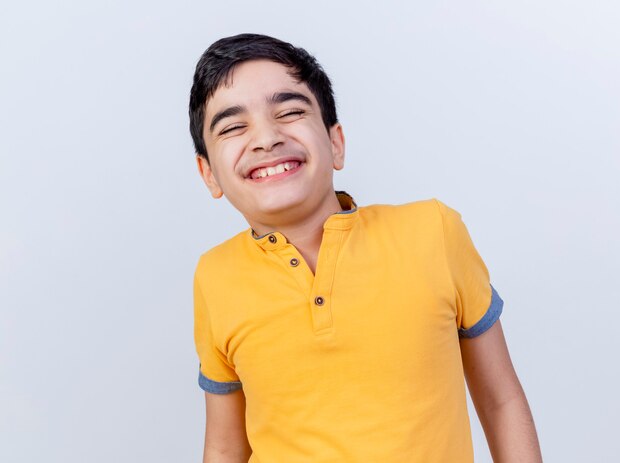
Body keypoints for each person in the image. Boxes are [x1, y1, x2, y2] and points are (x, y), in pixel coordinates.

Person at [188, 33, 542, 463]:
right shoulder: (215, 276)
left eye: (290, 111)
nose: (266, 138)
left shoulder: (433, 230)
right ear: (208, 174)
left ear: (335, 142)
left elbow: (501, 400)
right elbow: (225, 445)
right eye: (234, 126)